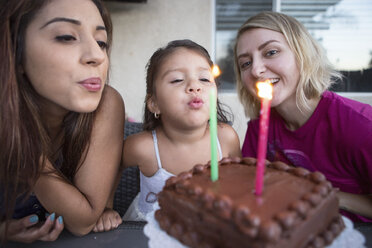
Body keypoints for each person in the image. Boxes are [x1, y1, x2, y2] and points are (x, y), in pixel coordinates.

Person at [0, 0, 124, 243]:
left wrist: (28, 153)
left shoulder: (105, 104)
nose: (96, 56)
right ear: (15, 51)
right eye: (67, 37)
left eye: (101, 42)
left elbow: (82, 221)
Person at [234, 11, 372, 222]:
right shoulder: (259, 127)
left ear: (302, 54)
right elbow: (251, 188)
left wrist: (323, 194)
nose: (256, 70)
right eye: (245, 63)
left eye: (271, 52)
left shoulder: (360, 126)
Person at [122, 39, 241, 221]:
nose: (195, 86)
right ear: (154, 103)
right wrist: (106, 208)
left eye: (204, 79)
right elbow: (110, 171)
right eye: (177, 80)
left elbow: (238, 183)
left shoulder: (225, 139)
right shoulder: (142, 147)